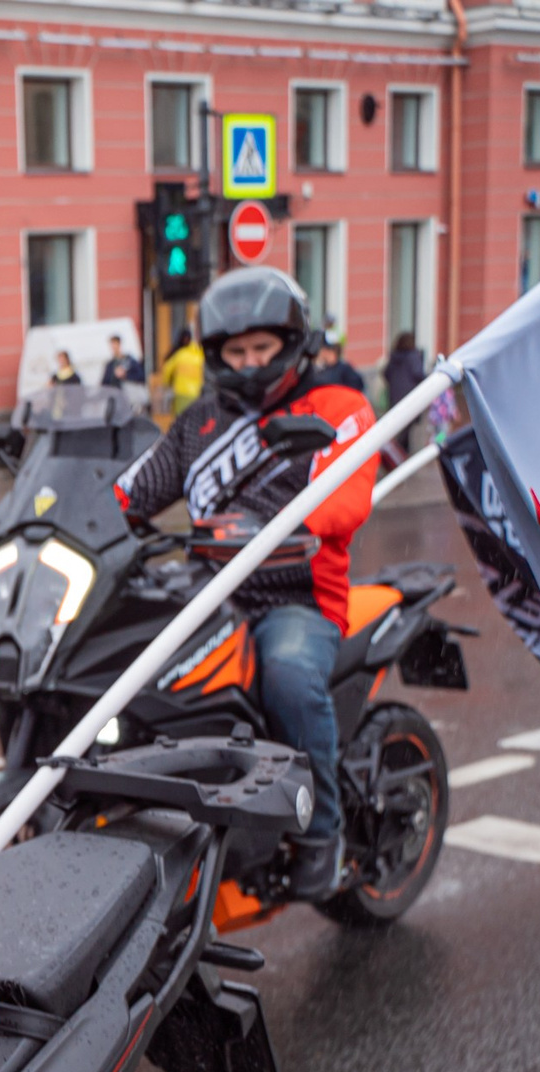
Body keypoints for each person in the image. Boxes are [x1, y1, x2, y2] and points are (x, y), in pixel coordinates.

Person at [114, 267, 380, 900]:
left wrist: (275, 526)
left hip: (296, 599)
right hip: (206, 595)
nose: (251, 362)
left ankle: (322, 832)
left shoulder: (336, 409)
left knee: (286, 672)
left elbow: (346, 499)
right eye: (236, 352)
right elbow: (136, 489)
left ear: (294, 341)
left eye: (262, 348)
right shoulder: (198, 423)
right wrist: (77, 514)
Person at [158, 325, 205, 418]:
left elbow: (167, 369)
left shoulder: (179, 354)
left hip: (182, 392)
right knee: (195, 418)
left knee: (181, 418)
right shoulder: (199, 353)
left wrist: (166, 384)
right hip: (197, 392)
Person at [384, 330, 428, 420]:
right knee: (408, 426)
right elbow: (418, 374)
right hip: (410, 397)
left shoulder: (394, 357)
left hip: (395, 397)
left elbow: (386, 373)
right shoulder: (413, 357)